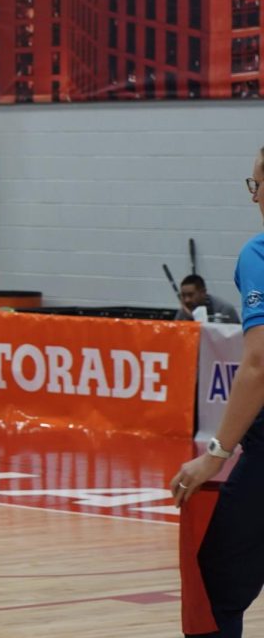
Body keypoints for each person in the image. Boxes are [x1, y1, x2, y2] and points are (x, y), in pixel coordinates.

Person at [170, 156, 264, 636]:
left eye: (257, 182)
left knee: (216, 590)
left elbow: (259, 362)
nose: (253, 195)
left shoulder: (259, 252)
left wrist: (215, 454)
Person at [175, 274, 241, 324]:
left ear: (203, 292)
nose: (187, 300)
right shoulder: (184, 311)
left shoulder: (224, 310)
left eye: (190, 295)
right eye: (183, 295)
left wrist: (193, 318)